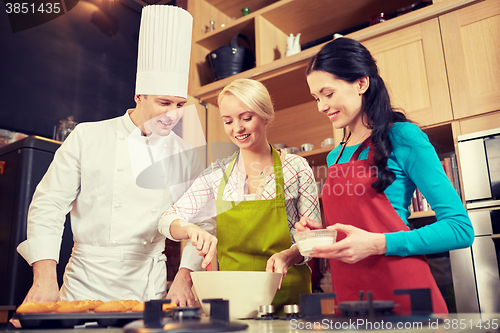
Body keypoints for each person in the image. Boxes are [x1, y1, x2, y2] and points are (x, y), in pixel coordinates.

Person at [17, 5, 215, 303]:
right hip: (84, 283)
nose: (173, 115)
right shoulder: (88, 136)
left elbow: (202, 222)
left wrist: (184, 279)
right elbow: (49, 206)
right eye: (164, 103)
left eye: (179, 105)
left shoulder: (185, 154)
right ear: (139, 96)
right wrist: (44, 280)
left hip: (148, 287)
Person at [296, 37, 474, 314]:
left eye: (328, 94)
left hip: (403, 295)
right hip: (352, 299)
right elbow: (353, 229)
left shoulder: (403, 137)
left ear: (361, 83)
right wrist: (320, 235)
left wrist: (379, 243)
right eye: (316, 98)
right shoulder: (336, 156)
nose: (321, 106)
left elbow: (460, 229)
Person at [159, 79, 321, 313]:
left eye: (246, 118)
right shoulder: (217, 174)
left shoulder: (296, 167)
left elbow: (314, 239)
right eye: (228, 121)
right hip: (232, 302)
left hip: (289, 298)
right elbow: (166, 220)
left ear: (266, 116)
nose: (237, 129)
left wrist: (288, 255)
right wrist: (190, 230)